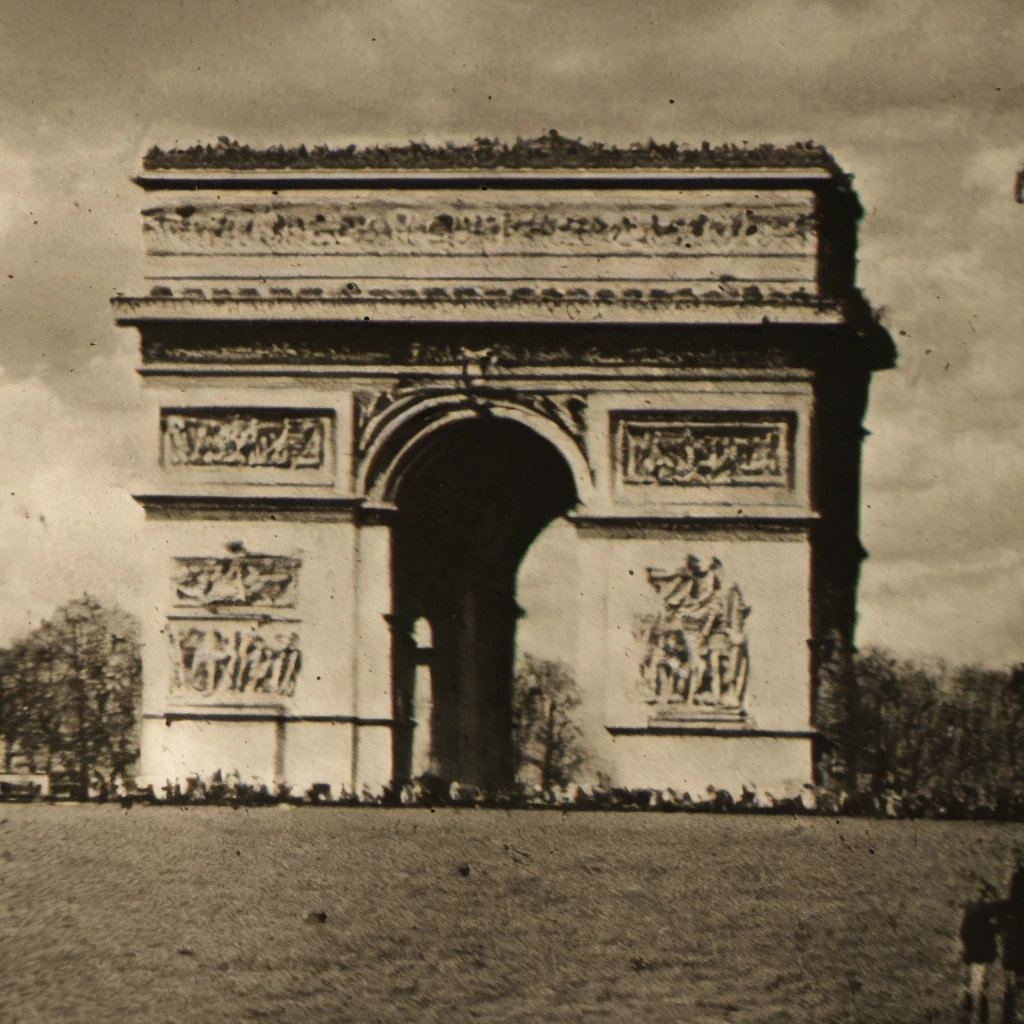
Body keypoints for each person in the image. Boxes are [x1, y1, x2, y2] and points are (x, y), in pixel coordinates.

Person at [960, 881, 1003, 1022]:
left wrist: (967, 945)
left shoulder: (970, 910)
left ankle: (967, 1012)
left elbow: (963, 932)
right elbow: (997, 930)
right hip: (985, 954)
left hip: (971, 953)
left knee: (970, 984)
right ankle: (982, 1016)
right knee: (983, 986)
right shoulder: (991, 912)